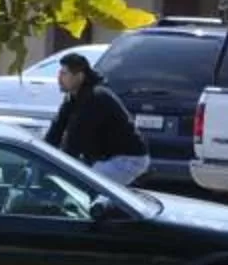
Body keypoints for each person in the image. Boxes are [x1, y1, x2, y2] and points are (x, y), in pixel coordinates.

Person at [43, 52, 150, 187]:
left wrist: (57, 171)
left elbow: (74, 141)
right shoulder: (73, 97)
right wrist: (40, 159)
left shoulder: (95, 97)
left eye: (64, 74)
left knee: (83, 187)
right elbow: (56, 130)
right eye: (59, 73)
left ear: (80, 76)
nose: (59, 78)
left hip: (127, 159)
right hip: (104, 158)